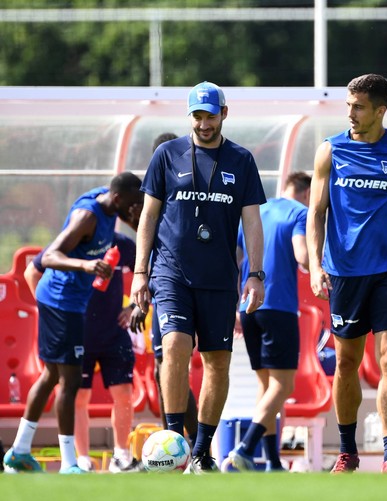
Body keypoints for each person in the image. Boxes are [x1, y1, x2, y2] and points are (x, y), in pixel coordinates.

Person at [131, 81, 266, 474]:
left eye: (210, 115)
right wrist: (141, 272)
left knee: (217, 362)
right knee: (174, 345)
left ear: (224, 113)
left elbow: (253, 224)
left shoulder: (241, 160)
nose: (204, 124)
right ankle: (174, 442)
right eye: (197, 116)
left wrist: (255, 275)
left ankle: (203, 451)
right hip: (171, 272)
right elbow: (148, 217)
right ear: (189, 116)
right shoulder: (166, 154)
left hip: (220, 278)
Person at [306, 73, 387, 474]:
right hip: (345, 272)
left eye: (359, 107)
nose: (351, 114)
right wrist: (314, 264)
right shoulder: (330, 150)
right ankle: (347, 451)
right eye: (348, 106)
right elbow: (315, 213)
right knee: (346, 363)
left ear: (381, 110)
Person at [2, 172, 143, 474]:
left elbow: (139, 231)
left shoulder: (111, 207)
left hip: (70, 305)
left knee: (52, 377)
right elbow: (48, 256)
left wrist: (136, 218)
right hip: (62, 302)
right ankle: (70, 463)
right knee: (70, 383)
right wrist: (86, 265)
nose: (134, 211)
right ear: (117, 199)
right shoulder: (88, 216)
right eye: (132, 206)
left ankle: (19, 451)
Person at [24, 233, 143, 473]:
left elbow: (148, 272)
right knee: (77, 397)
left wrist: (134, 306)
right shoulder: (70, 241)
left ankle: (121, 457)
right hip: (77, 332)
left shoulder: (123, 244)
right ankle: (82, 459)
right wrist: (51, 312)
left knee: (124, 393)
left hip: (114, 332)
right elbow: (32, 272)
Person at [227, 171, 311, 472]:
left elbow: (233, 260)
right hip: (278, 306)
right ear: (305, 193)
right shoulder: (301, 213)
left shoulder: (256, 211)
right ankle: (245, 448)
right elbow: (302, 256)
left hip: (249, 307)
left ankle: (273, 463)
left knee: (266, 387)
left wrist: (236, 305)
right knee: (283, 386)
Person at [130, 132, 199, 449]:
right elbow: (146, 246)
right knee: (166, 367)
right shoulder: (151, 197)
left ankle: (192, 445)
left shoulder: (189, 192)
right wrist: (140, 298)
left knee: (172, 366)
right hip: (160, 288)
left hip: (184, 287)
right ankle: (173, 448)